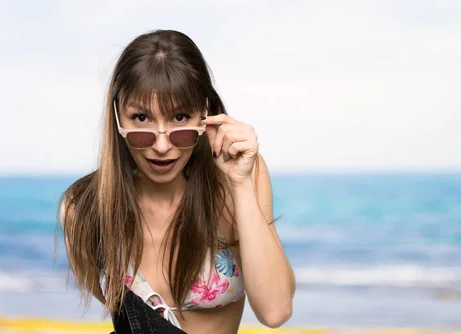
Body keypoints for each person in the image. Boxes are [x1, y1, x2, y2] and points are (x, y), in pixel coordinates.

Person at [59, 29, 296, 333]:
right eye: (141, 118)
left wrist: (240, 184)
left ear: (204, 113)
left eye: (180, 118)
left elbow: (275, 310)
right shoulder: (84, 207)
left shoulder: (239, 180)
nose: (161, 145)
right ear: (118, 115)